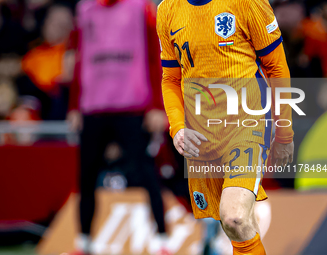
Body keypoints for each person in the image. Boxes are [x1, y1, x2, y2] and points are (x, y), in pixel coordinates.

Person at [157, 0, 294, 254]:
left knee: (234, 217)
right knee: (237, 228)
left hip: (246, 123)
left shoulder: (247, 2)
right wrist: (177, 127)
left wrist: (284, 132)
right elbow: (171, 79)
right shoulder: (167, 9)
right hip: (201, 134)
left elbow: (276, 66)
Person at [67, 0, 169, 254]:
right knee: (86, 178)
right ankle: (84, 242)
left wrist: (158, 104)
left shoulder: (141, 7)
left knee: (146, 173)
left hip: (132, 105)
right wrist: (74, 104)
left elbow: (156, 56)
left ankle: (162, 239)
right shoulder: (85, 9)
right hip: (93, 106)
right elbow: (80, 58)